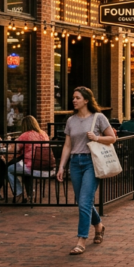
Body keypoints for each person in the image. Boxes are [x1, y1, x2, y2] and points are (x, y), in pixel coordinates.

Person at [56, 87, 116, 255]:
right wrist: (61, 166)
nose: (74, 100)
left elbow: (112, 138)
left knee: (84, 202)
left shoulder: (99, 118)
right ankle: (98, 225)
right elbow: (67, 145)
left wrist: (97, 138)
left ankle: (81, 239)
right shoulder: (71, 120)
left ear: (86, 100)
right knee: (84, 202)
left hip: (91, 162)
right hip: (75, 163)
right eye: (73, 97)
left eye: (77, 98)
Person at [8, 115, 50, 202]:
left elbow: (15, 150)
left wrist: (15, 141)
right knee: (23, 169)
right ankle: (30, 194)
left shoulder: (25, 135)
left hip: (31, 167)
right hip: (45, 167)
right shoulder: (44, 134)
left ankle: (18, 192)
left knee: (9, 169)